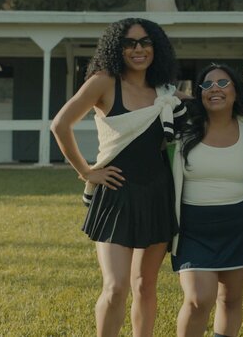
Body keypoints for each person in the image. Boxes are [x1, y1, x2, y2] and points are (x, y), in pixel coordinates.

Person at [50, 18, 185, 337]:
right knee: (115, 287)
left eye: (145, 42)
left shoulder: (164, 90)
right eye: (129, 43)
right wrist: (86, 171)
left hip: (157, 192)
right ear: (116, 47)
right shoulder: (104, 81)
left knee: (145, 285)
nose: (138, 49)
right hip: (116, 193)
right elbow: (60, 125)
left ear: (156, 47)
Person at [172, 64, 243, 337]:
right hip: (192, 227)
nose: (214, 88)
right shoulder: (183, 128)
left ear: (236, 91)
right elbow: (157, 93)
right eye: (207, 84)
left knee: (230, 298)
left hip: (239, 225)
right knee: (200, 298)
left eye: (223, 83)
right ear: (198, 93)